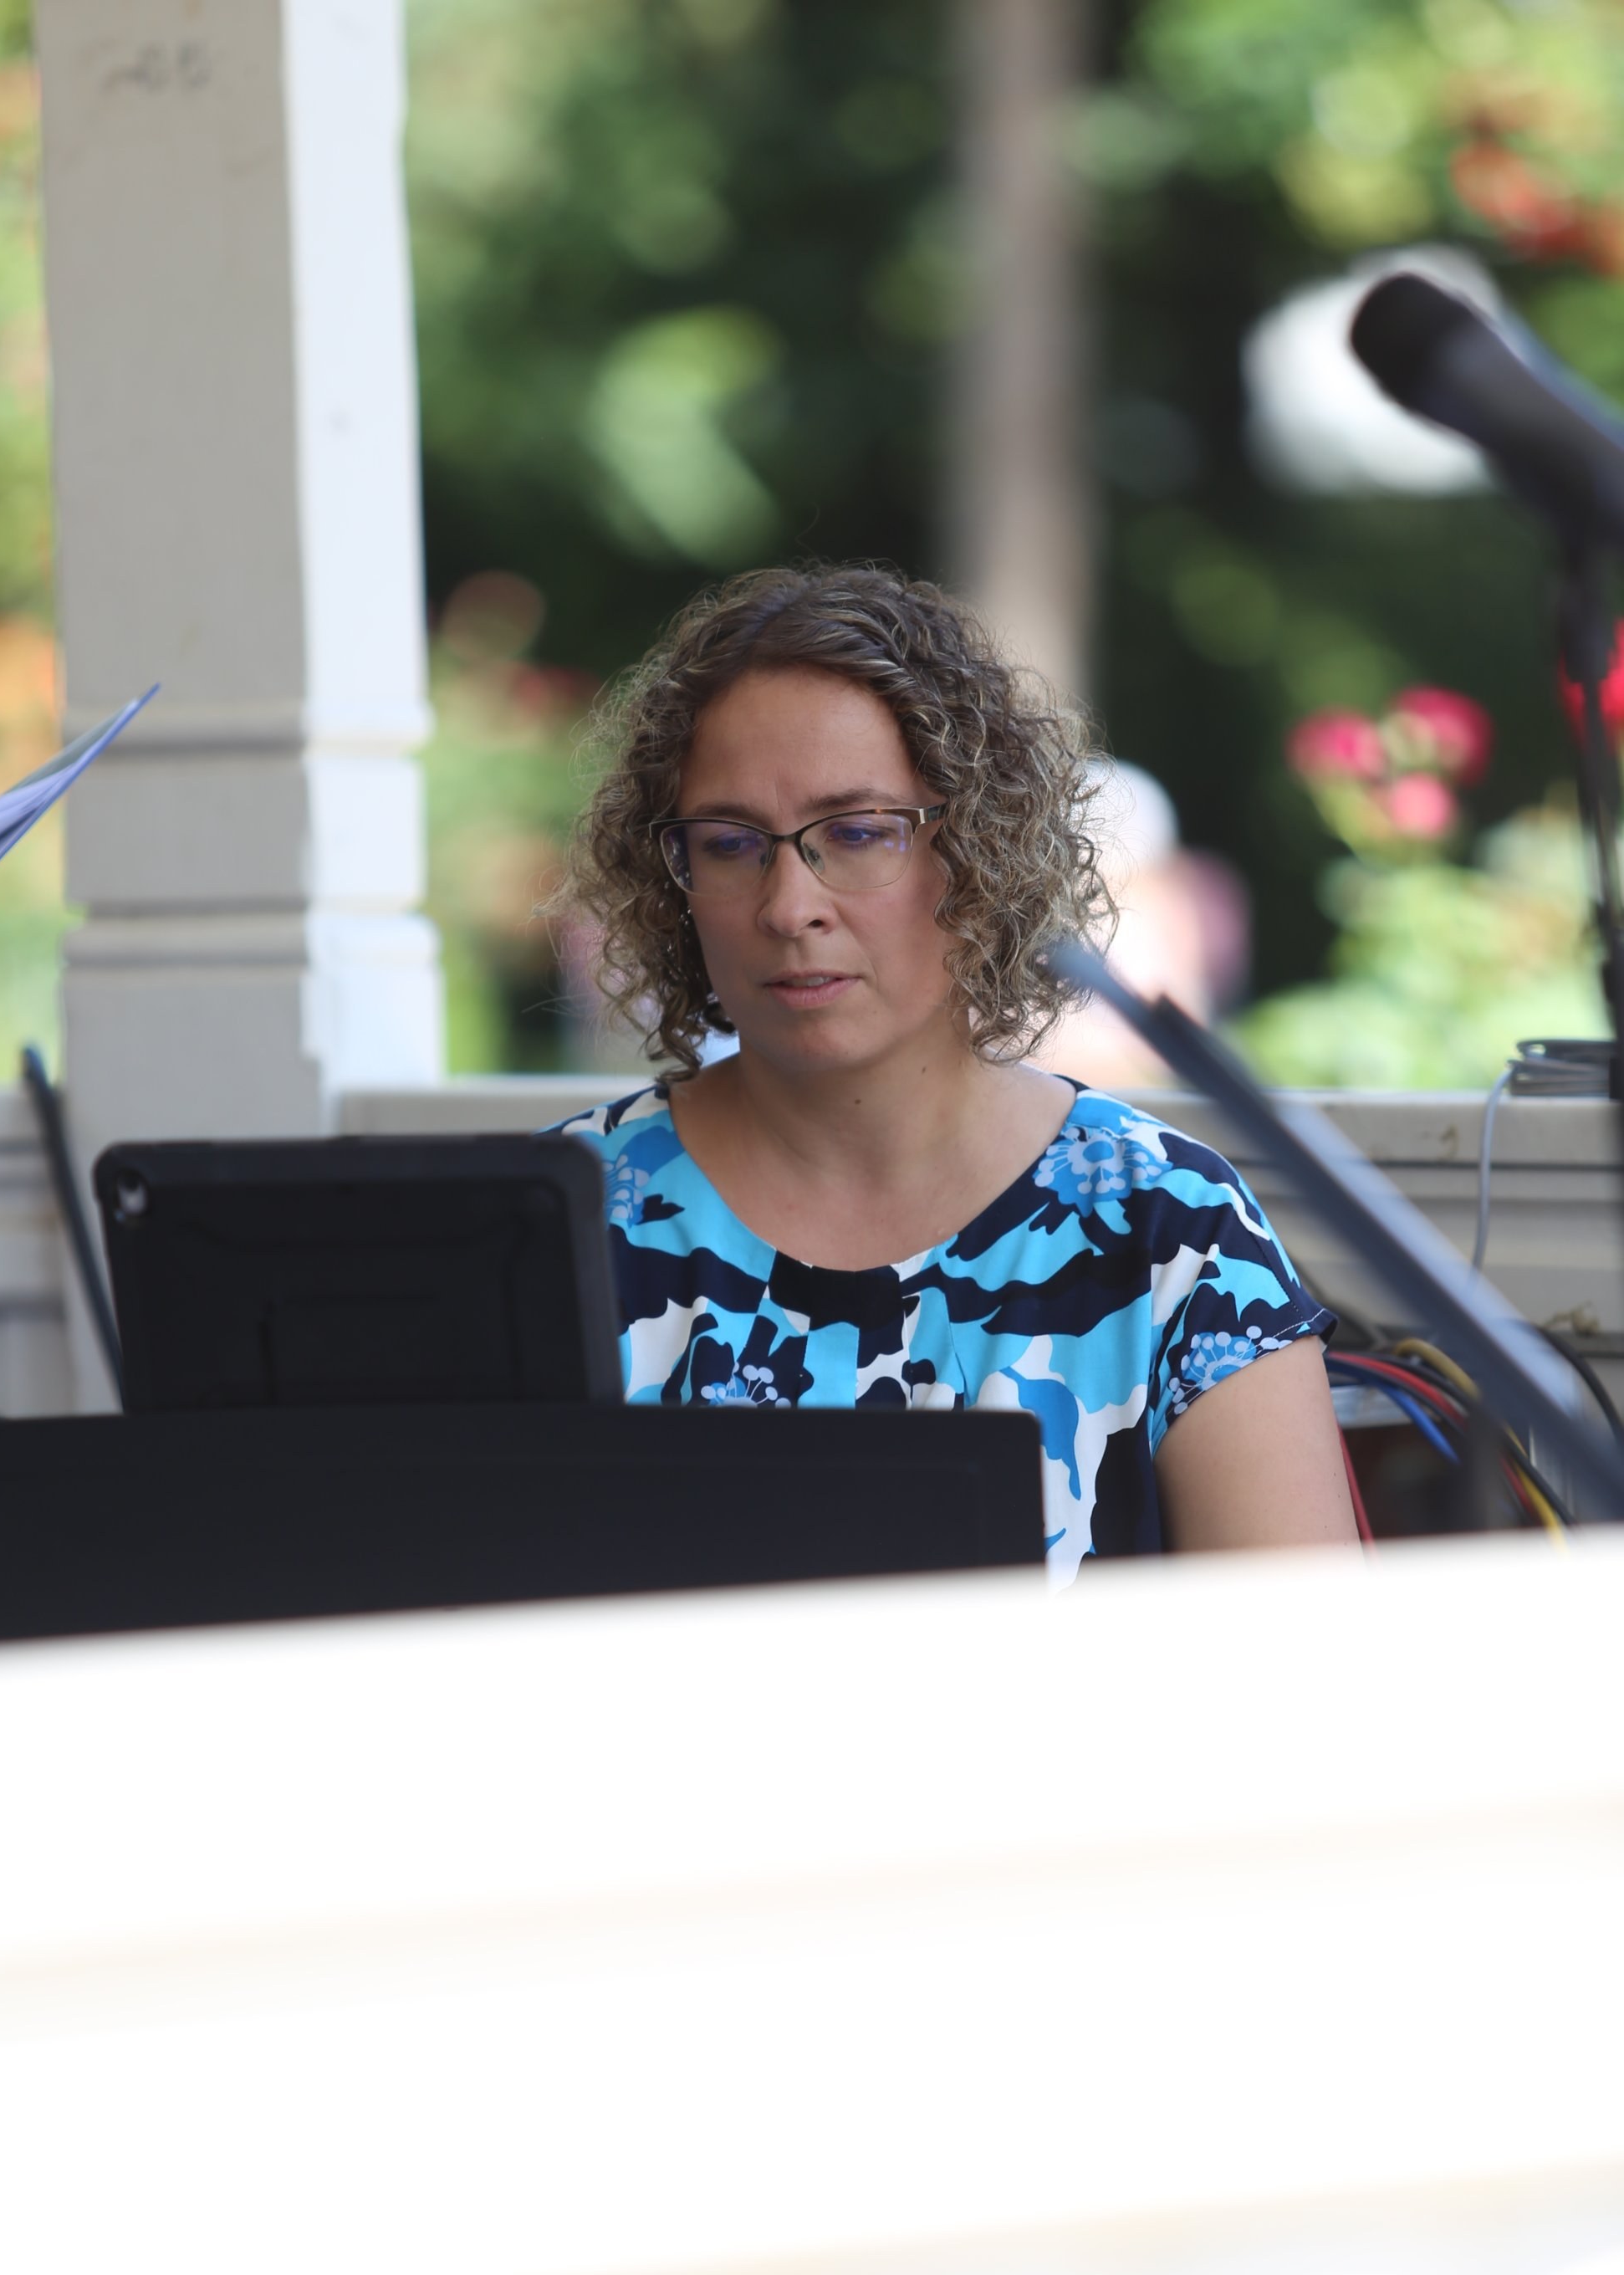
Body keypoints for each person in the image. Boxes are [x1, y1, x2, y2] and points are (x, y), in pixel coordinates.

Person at [551, 564, 1356, 1577]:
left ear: (977, 853)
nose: (787, 906)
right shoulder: (555, 1223)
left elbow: (1303, 1663)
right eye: (728, 843)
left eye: (856, 833)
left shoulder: (1168, 1229)